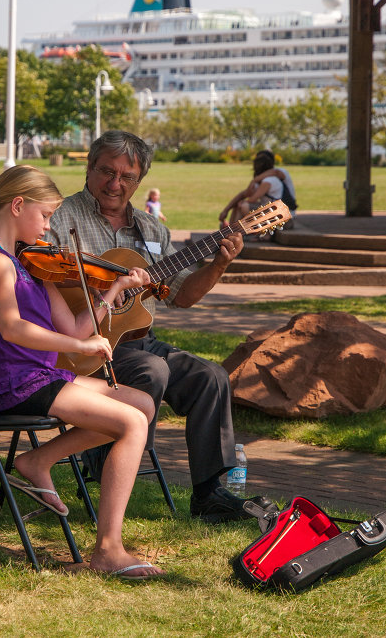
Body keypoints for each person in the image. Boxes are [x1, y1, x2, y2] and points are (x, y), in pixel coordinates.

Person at [46, 130, 275, 524]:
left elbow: (182, 295)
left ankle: (209, 493)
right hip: (80, 341)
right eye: (106, 171)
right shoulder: (62, 217)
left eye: (127, 177)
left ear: (140, 180)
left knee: (212, 376)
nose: (115, 184)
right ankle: (108, 475)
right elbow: (37, 276)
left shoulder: (151, 230)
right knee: (152, 370)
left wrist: (218, 264)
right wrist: (99, 294)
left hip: (134, 339)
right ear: (89, 168)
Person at [0, 164, 164, 579]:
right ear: (17, 205)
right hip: (14, 383)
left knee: (141, 403)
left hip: (42, 377)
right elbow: (12, 328)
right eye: (46, 215)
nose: (50, 226)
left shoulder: (32, 265)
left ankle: (37, 461)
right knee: (130, 423)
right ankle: (108, 549)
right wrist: (81, 347)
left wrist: (112, 291)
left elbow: (75, 326)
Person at [218, 150, 296, 228]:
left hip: (284, 214)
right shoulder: (265, 178)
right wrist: (226, 210)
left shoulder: (274, 177)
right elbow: (243, 194)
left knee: (244, 205)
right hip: (276, 212)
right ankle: (231, 230)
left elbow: (252, 199)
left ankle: (234, 231)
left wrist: (254, 180)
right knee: (240, 204)